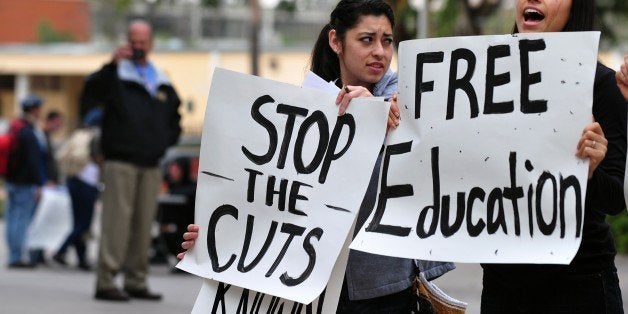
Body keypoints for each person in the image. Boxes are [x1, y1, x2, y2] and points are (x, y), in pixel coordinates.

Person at [179, 1, 454, 312]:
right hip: (315, 284)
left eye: (387, 41)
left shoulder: (410, 96)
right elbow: (266, 197)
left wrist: (374, 114)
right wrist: (215, 240)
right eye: (367, 39)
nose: (380, 51)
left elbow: (431, 152)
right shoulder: (305, 112)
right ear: (336, 41)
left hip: (385, 284)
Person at [479, 1, 627, 313]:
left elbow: (615, 200)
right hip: (502, 286)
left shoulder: (602, 85)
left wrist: (590, 171)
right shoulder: (482, 81)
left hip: (579, 285)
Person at [81, 19, 181, 301]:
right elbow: (90, 95)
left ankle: (137, 280)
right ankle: (106, 281)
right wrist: (111, 64)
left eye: (142, 41)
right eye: (133, 41)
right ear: (127, 41)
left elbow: (175, 118)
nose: (138, 46)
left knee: (143, 224)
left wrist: (164, 142)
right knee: (116, 223)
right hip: (120, 161)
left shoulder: (160, 79)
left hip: (151, 163)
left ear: (150, 44)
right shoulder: (115, 76)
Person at [52, 109, 103, 271]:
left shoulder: (77, 135)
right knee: (83, 224)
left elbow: (61, 156)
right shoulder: (96, 136)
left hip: (73, 181)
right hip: (87, 184)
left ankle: (82, 258)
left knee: (78, 222)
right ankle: (61, 250)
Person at [4, 94, 47, 269]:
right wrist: (39, 183)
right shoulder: (28, 132)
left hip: (11, 180)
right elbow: (33, 161)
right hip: (25, 182)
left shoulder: (14, 127)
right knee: (21, 219)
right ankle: (16, 257)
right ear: (34, 109)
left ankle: (13, 254)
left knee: (12, 218)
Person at [28, 109, 64, 266]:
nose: (60, 126)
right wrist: (43, 182)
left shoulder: (46, 137)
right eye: (58, 122)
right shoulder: (40, 136)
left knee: (44, 219)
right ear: (51, 121)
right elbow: (40, 162)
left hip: (49, 183)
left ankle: (39, 254)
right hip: (43, 184)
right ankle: (34, 254)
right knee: (38, 219)